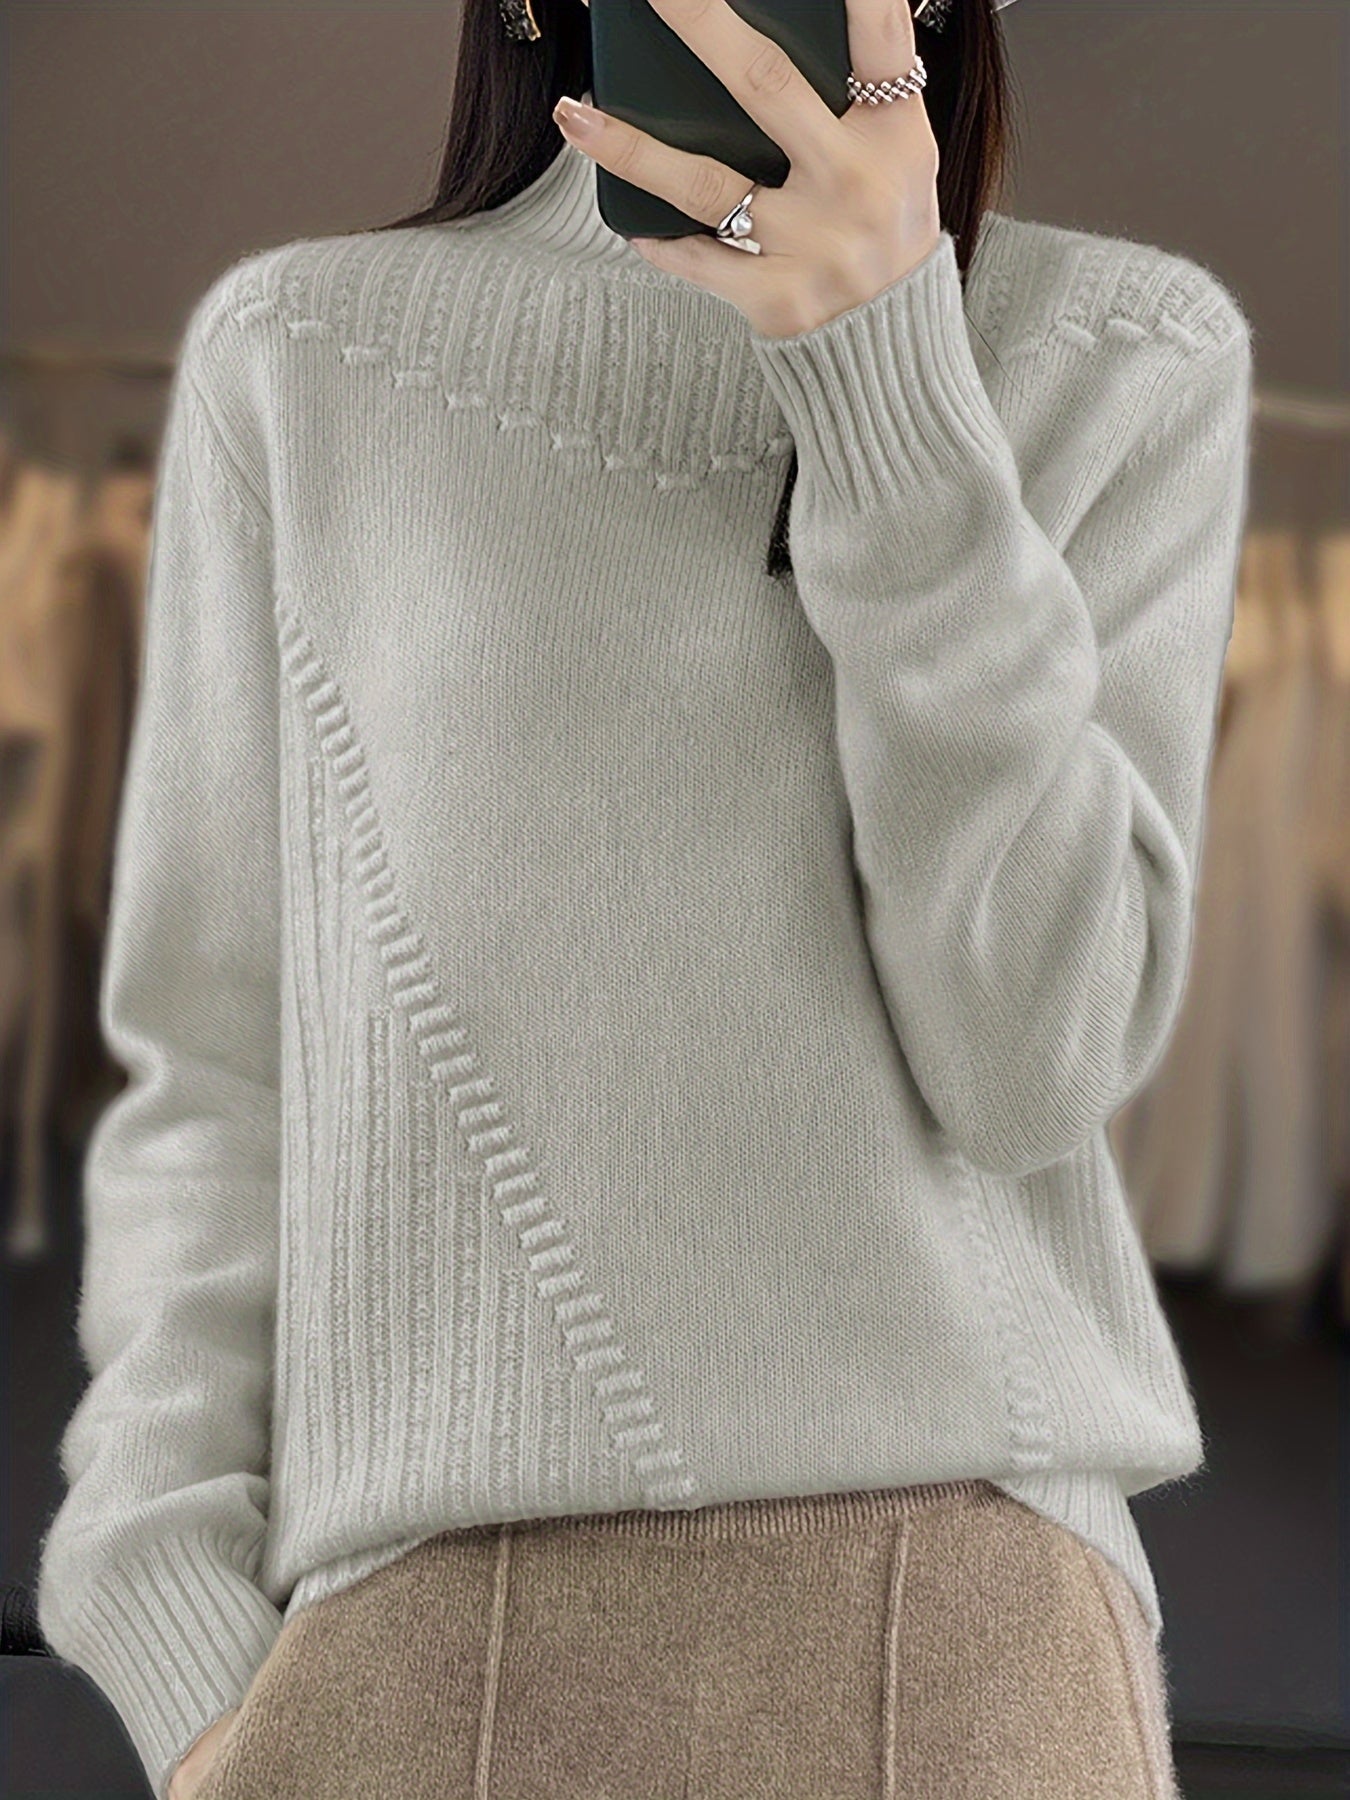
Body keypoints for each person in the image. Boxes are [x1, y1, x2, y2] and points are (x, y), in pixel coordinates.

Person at [35, 1, 1254, 1796]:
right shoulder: (305, 354)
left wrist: (890, 388)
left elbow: (1033, 1062)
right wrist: (175, 1634)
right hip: (408, 1641)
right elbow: (215, 1065)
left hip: (967, 1638)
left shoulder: (1119, 349)